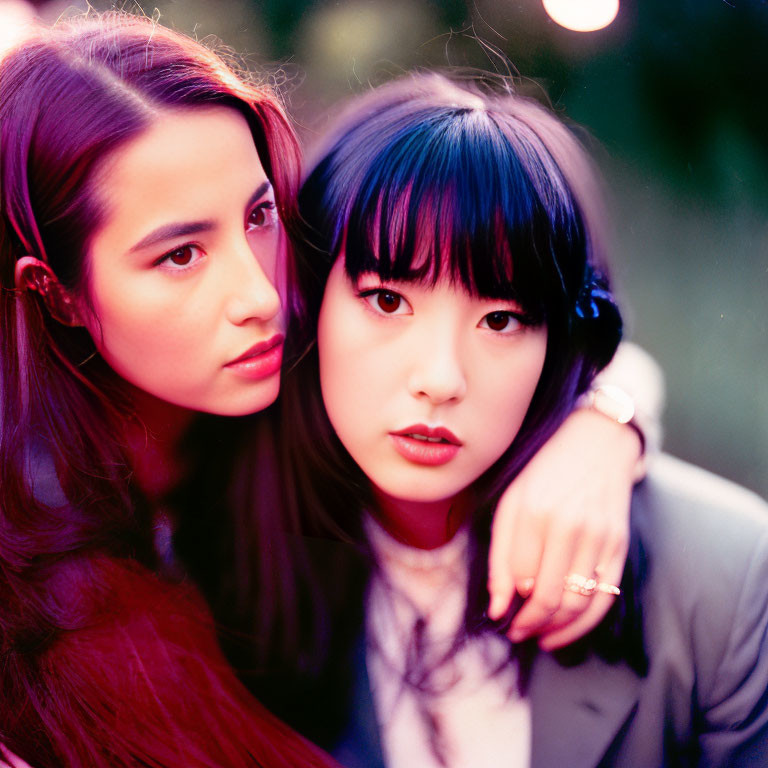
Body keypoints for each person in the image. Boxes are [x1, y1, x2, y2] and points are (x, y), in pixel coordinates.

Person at [0, 10, 656, 765]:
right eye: (181, 255)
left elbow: (522, 310)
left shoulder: (292, 363)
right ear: (56, 294)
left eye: (259, 216)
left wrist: (604, 424)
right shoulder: (54, 602)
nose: (262, 293)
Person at [276, 72, 768, 766]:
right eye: (388, 300)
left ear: (558, 344)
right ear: (305, 297)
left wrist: (609, 417)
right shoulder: (218, 563)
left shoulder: (723, 577)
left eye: (501, 319)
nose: (441, 379)